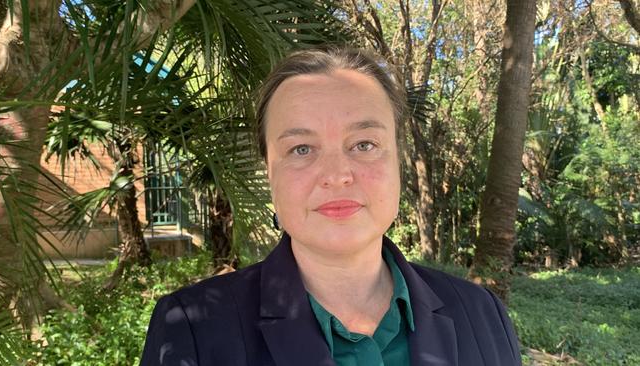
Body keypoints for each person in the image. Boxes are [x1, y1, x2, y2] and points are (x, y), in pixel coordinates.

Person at [140, 46, 522, 366]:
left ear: (398, 161)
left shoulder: (482, 313)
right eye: (301, 149)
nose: (337, 175)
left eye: (364, 144)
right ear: (269, 172)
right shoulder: (192, 330)